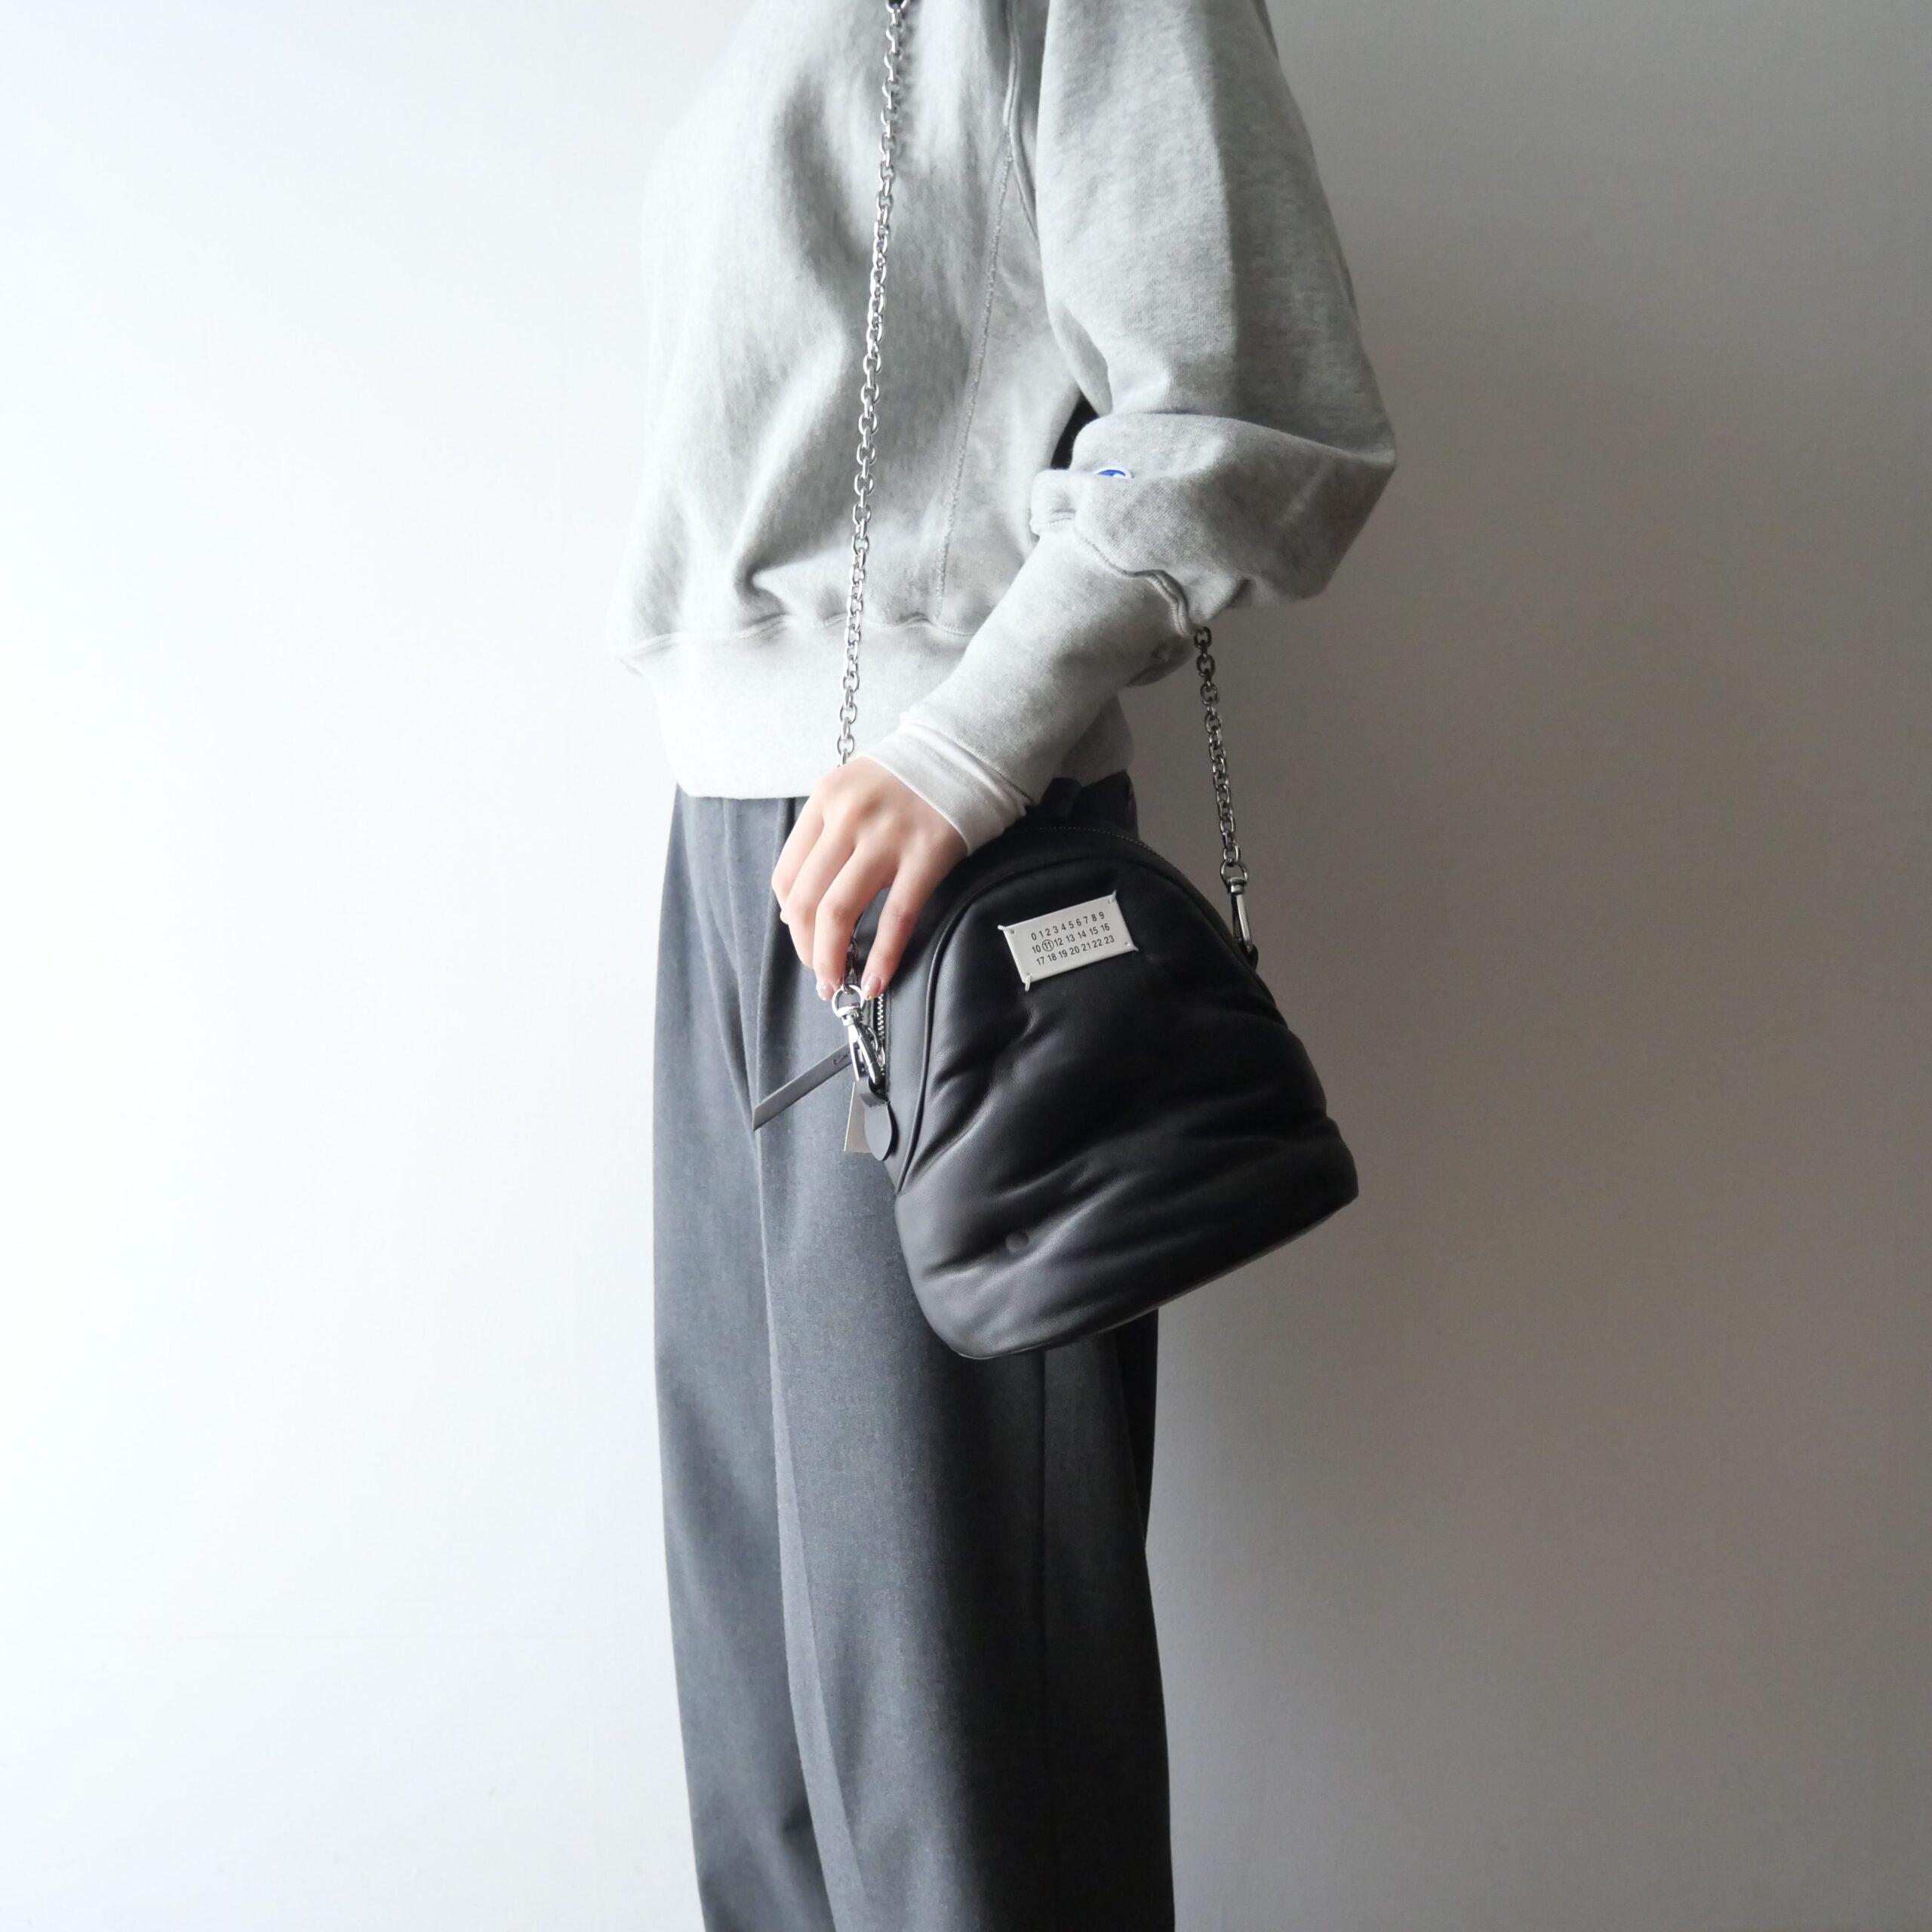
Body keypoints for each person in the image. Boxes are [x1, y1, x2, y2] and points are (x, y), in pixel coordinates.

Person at [602, 1, 1396, 1924]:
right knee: (775, 1740)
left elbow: (1249, 413)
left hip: (937, 862)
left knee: (954, 1746)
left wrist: (962, 746)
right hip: (735, 849)